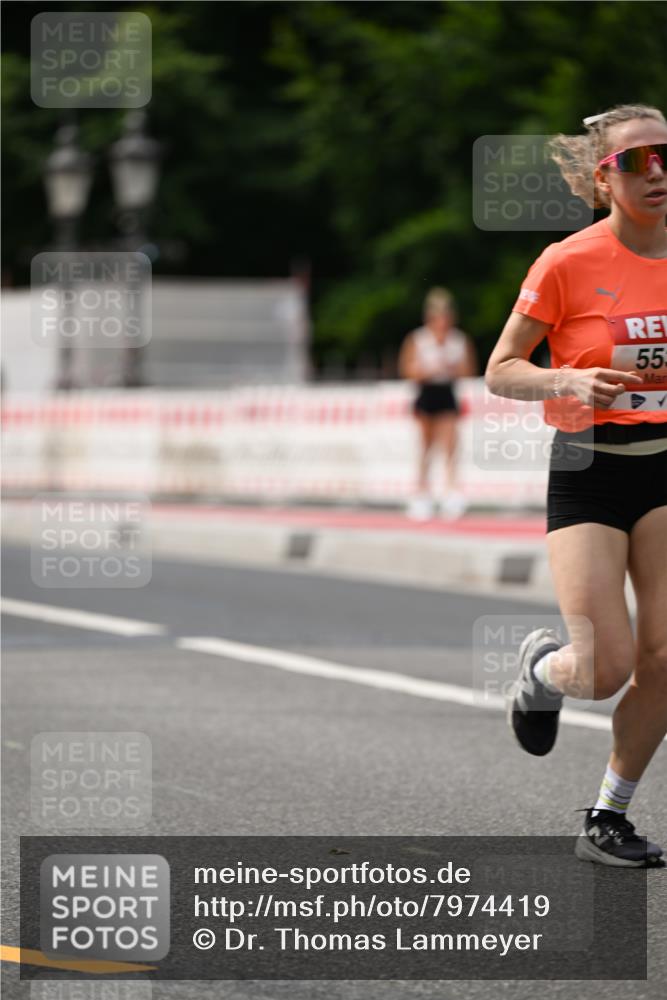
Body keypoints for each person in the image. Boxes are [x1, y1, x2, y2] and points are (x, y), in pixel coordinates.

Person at [485, 104, 667, 868]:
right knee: (604, 668)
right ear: (602, 178)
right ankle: (541, 673)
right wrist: (565, 379)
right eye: (636, 160)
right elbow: (500, 370)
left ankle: (606, 817)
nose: (656, 171)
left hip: (663, 465)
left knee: (666, 656)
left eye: (666, 155)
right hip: (589, 469)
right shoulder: (566, 261)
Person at [398, 287, 477, 519]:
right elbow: (407, 370)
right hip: (426, 393)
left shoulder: (458, 340)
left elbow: (469, 370)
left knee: (450, 446)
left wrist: (451, 369)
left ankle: (451, 493)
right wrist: (427, 371)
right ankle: (421, 494)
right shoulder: (418, 339)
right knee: (426, 446)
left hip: (447, 392)